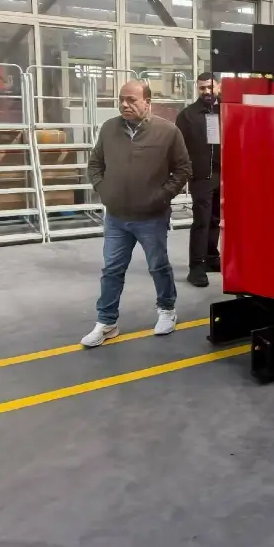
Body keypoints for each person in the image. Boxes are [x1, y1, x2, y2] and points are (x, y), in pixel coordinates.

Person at [82, 80, 194, 347]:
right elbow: (95, 163)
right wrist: (103, 189)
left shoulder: (168, 132)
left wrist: (161, 196)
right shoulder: (109, 129)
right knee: (112, 270)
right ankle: (106, 322)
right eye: (121, 99)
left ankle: (167, 310)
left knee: (158, 266)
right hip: (116, 217)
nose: (124, 104)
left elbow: (183, 170)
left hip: (151, 217)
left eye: (131, 100)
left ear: (147, 102)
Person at [176, 73, 222, 287]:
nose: (206, 91)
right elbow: (179, 148)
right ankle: (196, 267)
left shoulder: (226, 109)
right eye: (202, 88)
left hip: (223, 175)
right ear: (197, 89)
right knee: (201, 221)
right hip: (201, 176)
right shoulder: (188, 115)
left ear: (218, 87)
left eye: (210, 87)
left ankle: (211, 258)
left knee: (215, 219)